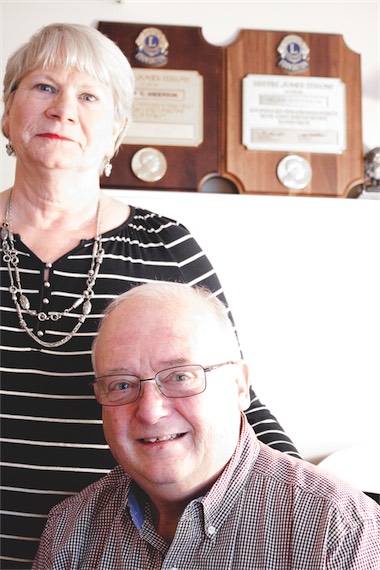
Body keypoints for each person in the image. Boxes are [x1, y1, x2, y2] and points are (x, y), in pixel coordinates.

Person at [0, 23, 299, 567]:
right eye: (43, 86)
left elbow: (231, 393)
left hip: (111, 547)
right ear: (7, 110)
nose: (63, 109)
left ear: (115, 132)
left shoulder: (165, 246)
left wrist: (311, 504)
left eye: (88, 96)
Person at [32, 282, 380, 569]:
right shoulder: (70, 532)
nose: (150, 411)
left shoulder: (338, 530)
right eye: (122, 384)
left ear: (239, 386)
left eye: (181, 376)